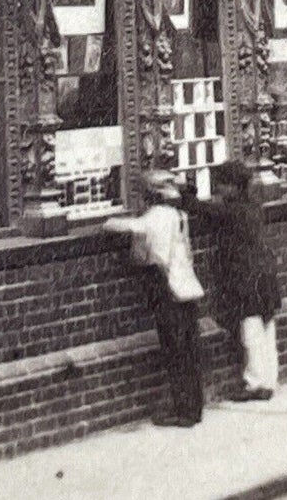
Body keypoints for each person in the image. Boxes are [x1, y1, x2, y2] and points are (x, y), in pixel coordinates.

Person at [104, 169, 205, 427]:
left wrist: (108, 221)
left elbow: (152, 252)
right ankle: (194, 407)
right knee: (190, 349)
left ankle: (183, 410)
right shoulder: (179, 215)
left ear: (149, 194)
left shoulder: (155, 217)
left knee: (175, 351)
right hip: (188, 287)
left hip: (168, 290)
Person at [185, 160, 281, 400]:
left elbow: (201, 209)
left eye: (222, 185)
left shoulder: (232, 210)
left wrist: (184, 193)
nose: (218, 189)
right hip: (265, 272)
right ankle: (269, 379)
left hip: (247, 276)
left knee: (250, 329)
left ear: (234, 187)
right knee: (267, 326)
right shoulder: (252, 206)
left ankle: (255, 383)